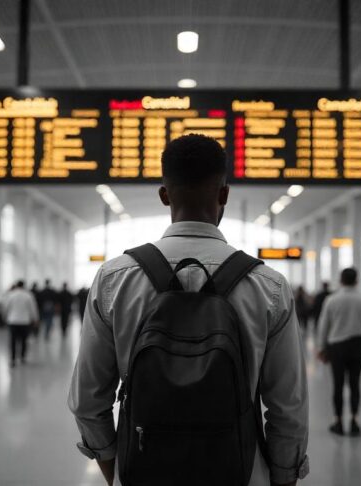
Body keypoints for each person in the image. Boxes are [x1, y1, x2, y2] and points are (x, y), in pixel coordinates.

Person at [68, 135, 309, 486]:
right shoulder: (267, 285)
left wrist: (115, 471)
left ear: (164, 195)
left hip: (144, 469)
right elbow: (289, 409)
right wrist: (284, 476)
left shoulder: (115, 278)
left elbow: (88, 401)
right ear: (223, 194)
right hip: (239, 472)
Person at [316, 267, 361, 437]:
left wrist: (321, 347)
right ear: (356, 280)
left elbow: (323, 326)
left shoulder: (331, 300)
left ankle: (338, 421)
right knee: (355, 383)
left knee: (338, 384)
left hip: (337, 348)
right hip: (357, 346)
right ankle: (355, 421)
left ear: (340, 280)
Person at [2, 280, 38, 367]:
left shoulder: (11, 295)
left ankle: (13, 359)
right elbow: (33, 308)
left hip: (13, 321)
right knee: (24, 340)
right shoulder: (28, 295)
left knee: (13, 341)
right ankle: (22, 357)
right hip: (24, 321)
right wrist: (35, 319)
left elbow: (6, 307)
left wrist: (4, 317)